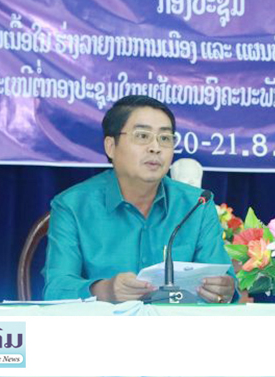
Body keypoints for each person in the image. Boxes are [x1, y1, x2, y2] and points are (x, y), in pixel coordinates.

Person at [42, 95, 236, 303]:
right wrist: (104, 291)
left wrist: (223, 289)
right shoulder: (72, 206)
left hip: (177, 323)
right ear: (111, 146)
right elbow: (56, 290)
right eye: (142, 136)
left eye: (165, 138)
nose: (155, 148)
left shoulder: (197, 204)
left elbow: (225, 283)